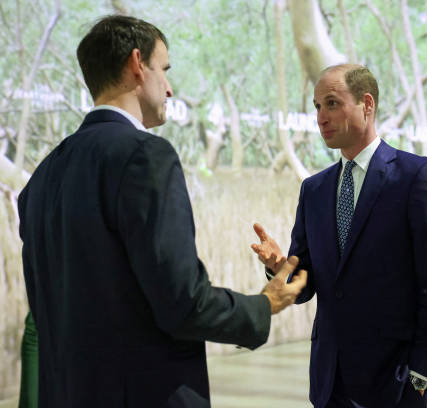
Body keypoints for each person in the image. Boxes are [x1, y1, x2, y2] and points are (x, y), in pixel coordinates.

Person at [18, 15, 307, 408]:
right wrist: (263, 304)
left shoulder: (43, 176)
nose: (169, 88)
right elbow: (181, 303)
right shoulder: (145, 155)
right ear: (138, 64)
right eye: (164, 70)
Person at [251, 64, 427, 408]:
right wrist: (281, 269)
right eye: (317, 107)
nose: (321, 117)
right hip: (329, 381)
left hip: (396, 381)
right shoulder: (314, 190)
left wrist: (425, 372)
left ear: (367, 104)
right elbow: (309, 285)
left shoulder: (418, 177)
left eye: (332, 103)